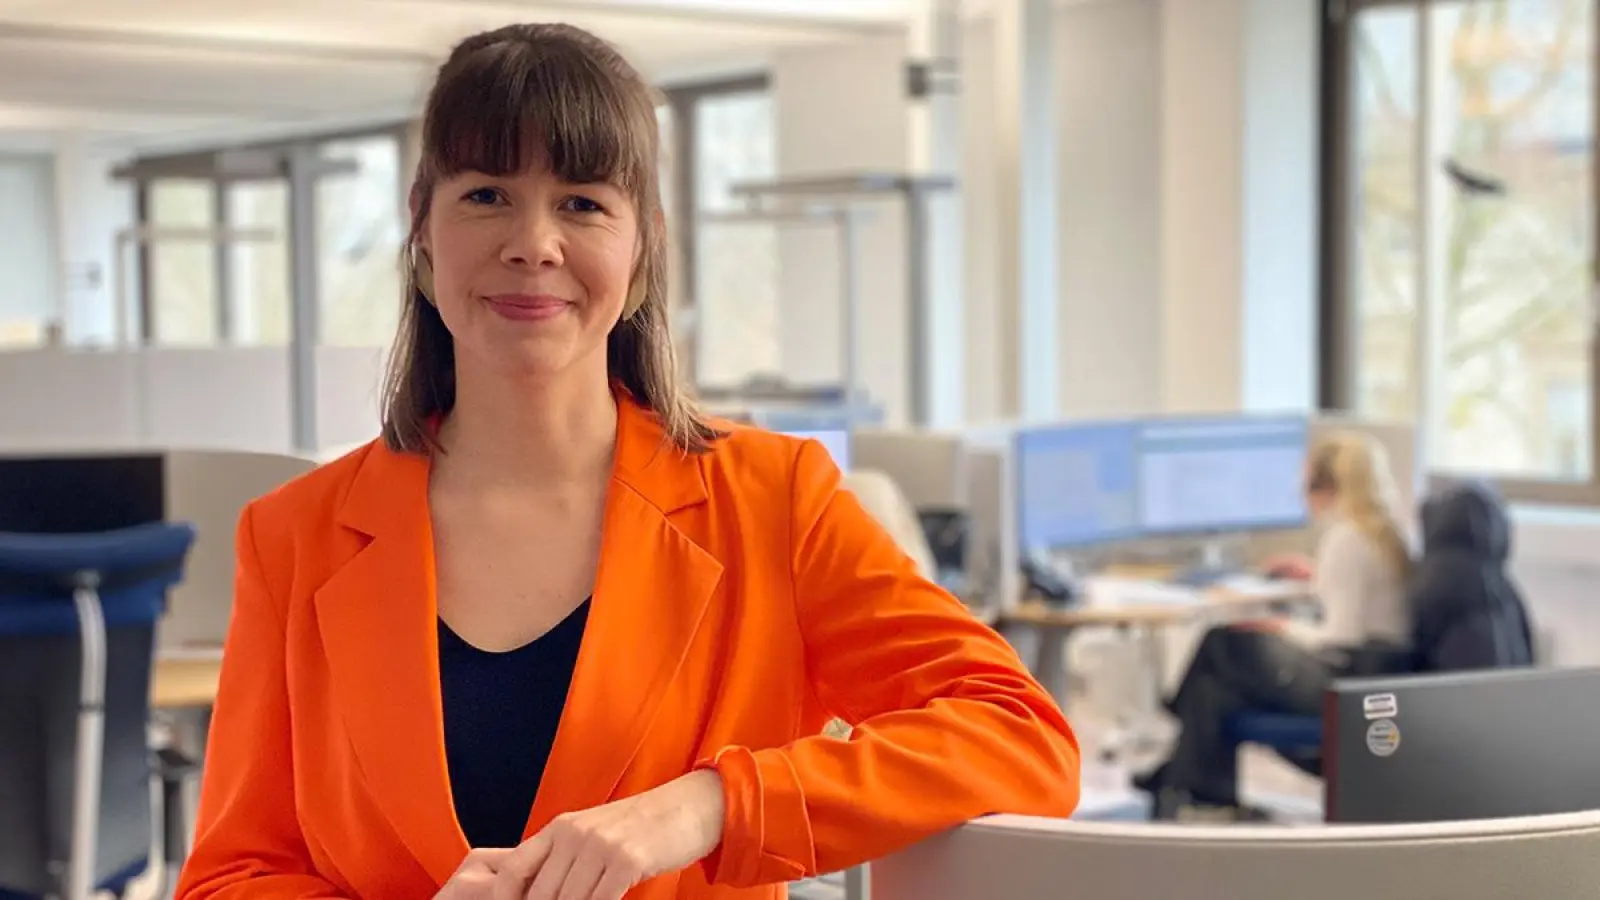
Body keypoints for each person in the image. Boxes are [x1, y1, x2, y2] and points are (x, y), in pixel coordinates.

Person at [174, 22, 1078, 900]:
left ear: (640, 252)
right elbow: (228, 877)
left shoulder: (772, 500)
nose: (533, 243)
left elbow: (1022, 735)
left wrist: (712, 803)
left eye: (582, 202)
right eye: (486, 193)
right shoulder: (293, 537)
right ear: (422, 235)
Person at [1134, 431, 1413, 820]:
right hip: (1378, 672)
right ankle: (1199, 796)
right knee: (1213, 692)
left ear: (1326, 487)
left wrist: (1282, 627)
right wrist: (1316, 579)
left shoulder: (1347, 540)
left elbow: (1339, 636)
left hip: (1345, 677)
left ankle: (1181, 771)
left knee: (1223, 642)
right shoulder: (1386, 533)